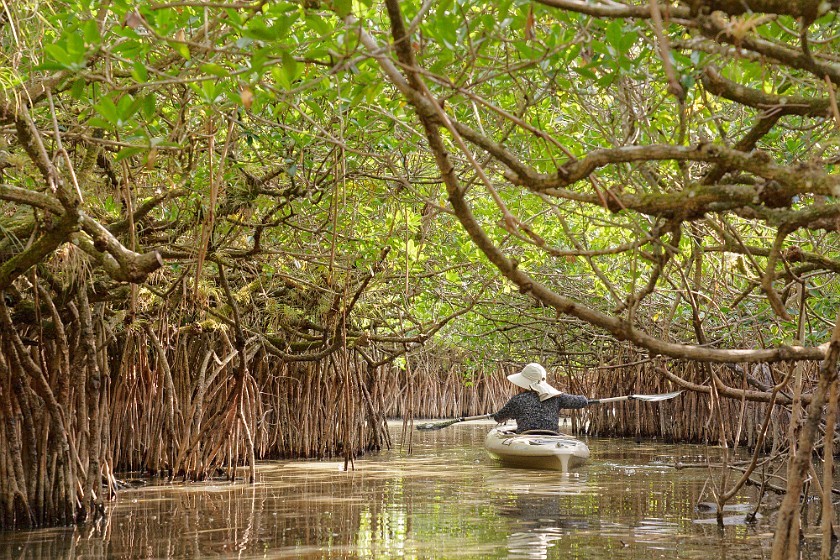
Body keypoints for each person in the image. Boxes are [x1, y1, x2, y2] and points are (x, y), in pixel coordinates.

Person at [491, 363, 589, 433]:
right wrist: (561, 395)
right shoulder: (557, 397)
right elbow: (583, 401)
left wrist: (501, 415)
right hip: (551, 437)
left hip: (526, 437)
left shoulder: (518, 400)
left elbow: (499, 418)